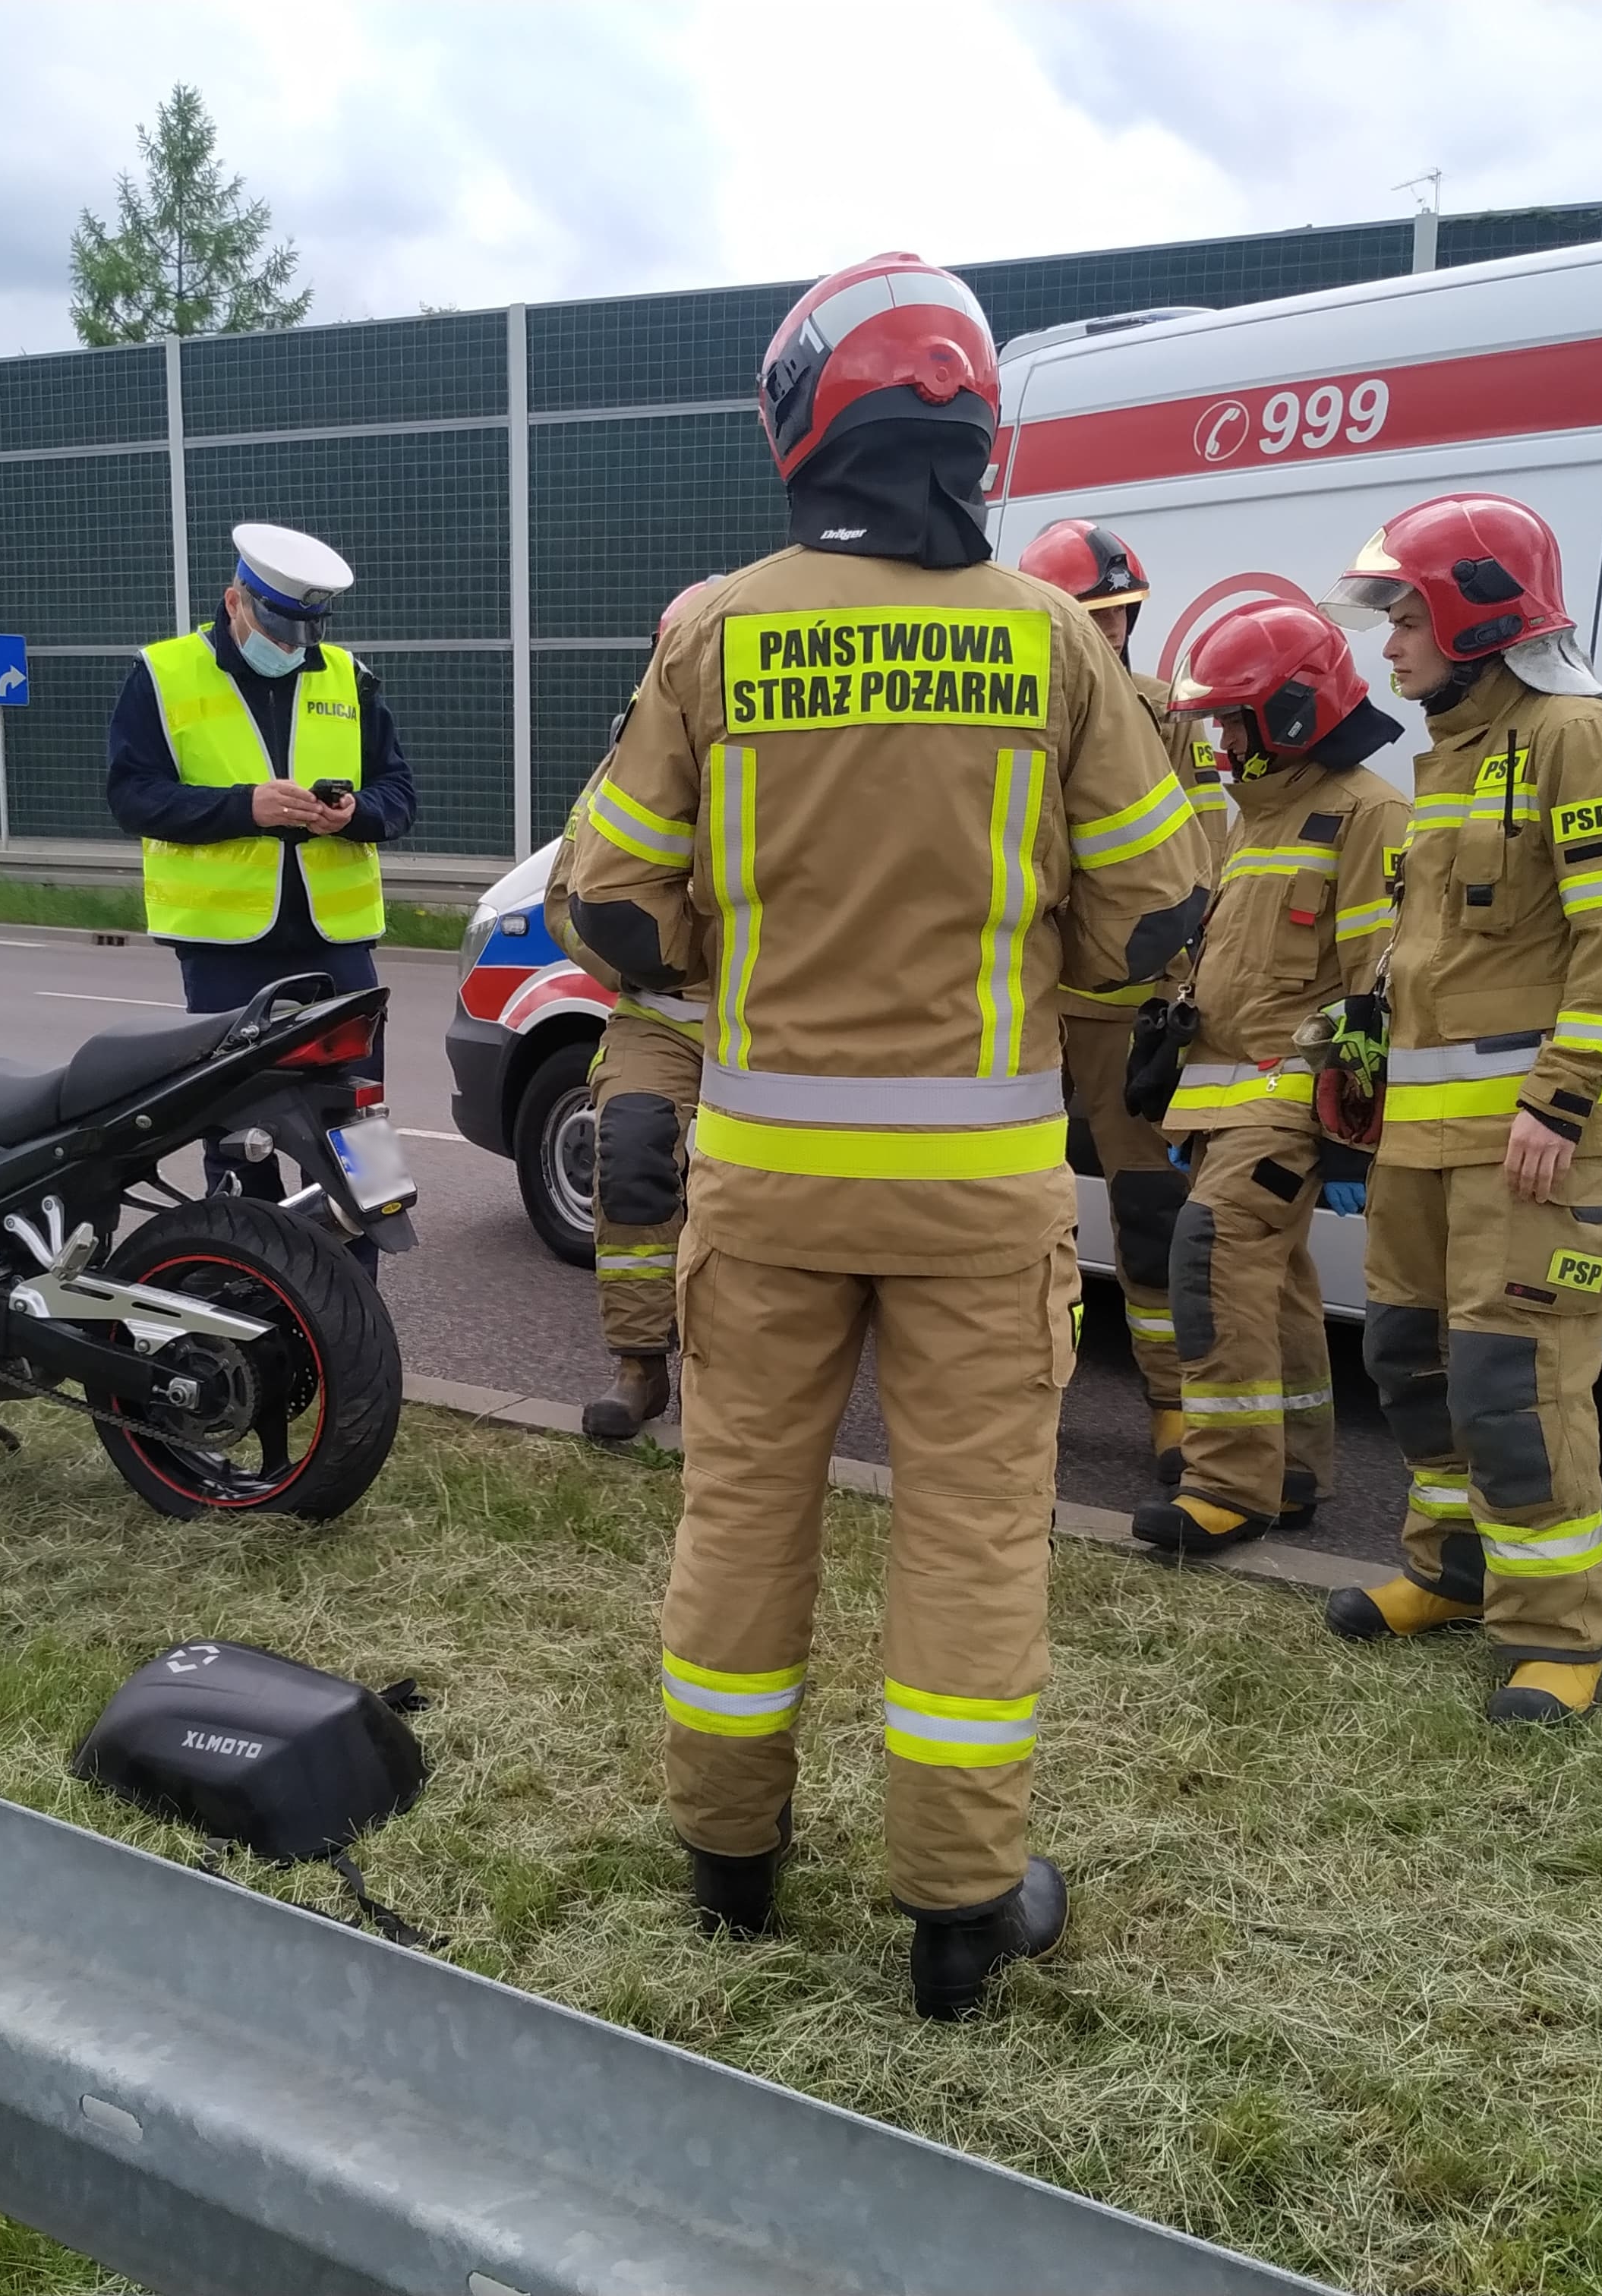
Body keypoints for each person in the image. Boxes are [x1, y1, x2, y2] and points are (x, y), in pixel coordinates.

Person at [567, 253, 1205, 2018]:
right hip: (982, 1186)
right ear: (971, 423)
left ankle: (728, 1863)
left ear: (801, 419)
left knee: (746, 1510)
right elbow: (1159, 919)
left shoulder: (715, 634)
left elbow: (609, 911)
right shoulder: (1057, 638)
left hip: (767, 1175)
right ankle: (956, 1914)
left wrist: (742, 952)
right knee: (977, 1540)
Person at [1317, 494, 1602, 1724]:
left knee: (1514, 1383)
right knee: (1410, 1364)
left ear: (1476, 611)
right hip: (1426, 1142)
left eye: (1405, 615)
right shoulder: (1452, 756)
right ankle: (1452, 1574)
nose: (1387, 645)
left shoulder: (1575, 734)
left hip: (1533, 1150)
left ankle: (1556, 1633)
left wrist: (1564, 1100)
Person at [1131, 597, 1407, 1556]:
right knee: (1273, 1282)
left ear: (1292, 713)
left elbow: (1380, 982)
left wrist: (1352, 1116)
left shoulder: (1369, 815)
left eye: (1231, 720)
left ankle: (1227, 1483)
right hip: (1225, 1096)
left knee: (1212, 1254)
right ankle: (1289, 1468)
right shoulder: (1260, 818)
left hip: (1288, 1094)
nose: (1217, 739)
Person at [102, 522, 418, 1269]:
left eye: (309, 628)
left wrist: (355, 814)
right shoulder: (165, 672)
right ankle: (256, 1295)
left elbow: (398, 794)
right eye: (281, 625)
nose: (295, 642)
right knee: (238, 1132)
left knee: (359, 1132)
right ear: (235, 602)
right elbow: (132, 797)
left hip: (337, 943)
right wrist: (245, 808)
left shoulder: (347, 674)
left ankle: (359, 1303)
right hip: (226, 949)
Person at [1014, 519, 1216, 1487]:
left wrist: (1183, 993)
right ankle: (1024, 1393)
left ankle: (1174, 1404)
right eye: (1088, 618)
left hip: (1127, 1005)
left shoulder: (1168, 715)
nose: (1107, 635)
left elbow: (1200, 861)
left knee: (1147, 1211)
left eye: (1116, 615)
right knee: (1016, 1209)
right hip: (1020, 1005)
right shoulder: (1006, 711)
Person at [542, 579, 719, 1442]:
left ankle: (740, 1387)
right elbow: (569, 898)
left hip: (775, 1026)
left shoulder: (787, 753)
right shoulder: (629, 761)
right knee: (633, 1148)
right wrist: (660, 958)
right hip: (659, 1016)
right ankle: (640, 1367)